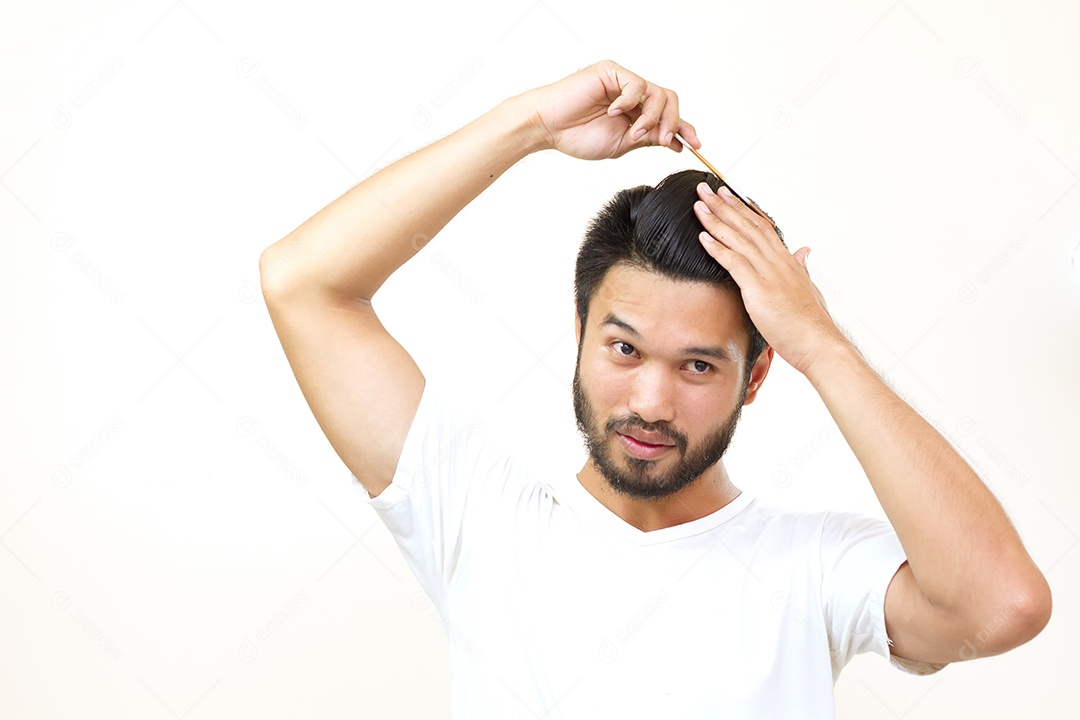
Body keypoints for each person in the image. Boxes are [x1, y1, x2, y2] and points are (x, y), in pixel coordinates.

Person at [259, 60, 1051, 718]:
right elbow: (303, 284)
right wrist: (530, 125)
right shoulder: (479, 517)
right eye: (624, 349)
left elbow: (1001, 605)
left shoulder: (812, 567)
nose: (650, 403)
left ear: (758, 373)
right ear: (581, 335)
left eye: (698, 365)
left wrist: (822, 344)